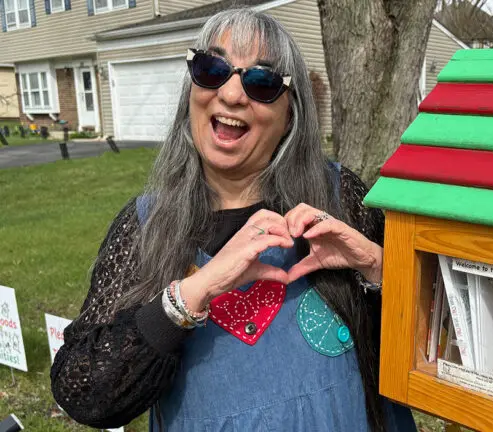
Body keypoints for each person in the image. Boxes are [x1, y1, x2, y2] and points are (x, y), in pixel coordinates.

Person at [50, 8, 416, 432]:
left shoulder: (338, 197)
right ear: (192, 90)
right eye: (212, 69)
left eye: (260, 81)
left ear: (290, 116)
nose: (231, 94)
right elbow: (84, 392)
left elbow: (429, 344)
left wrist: (378, 268)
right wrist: (193, 294)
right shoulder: (146, 227)